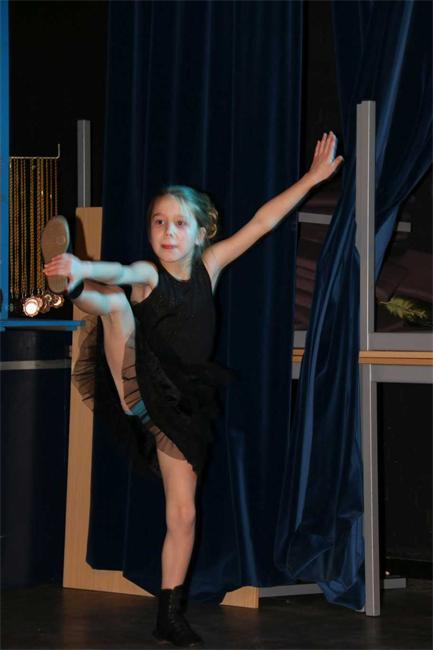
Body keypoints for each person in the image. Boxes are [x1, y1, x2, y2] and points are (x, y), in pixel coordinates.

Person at [43, 131, 342, 648]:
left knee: (183, 514)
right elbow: (120, 270)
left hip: (181, 405)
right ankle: (71, 286)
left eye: (180, 223)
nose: (167, 231)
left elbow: (263, 222)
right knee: (116, 302)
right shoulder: (147, 273)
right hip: (136, 381)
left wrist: (313, 179)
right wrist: (83, 267)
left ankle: (169, 613)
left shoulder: (210, 265)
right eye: (159, 222)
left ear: (202, 233)